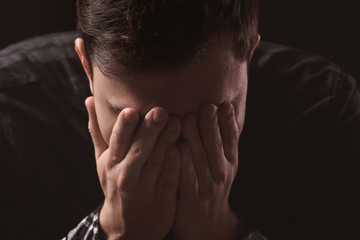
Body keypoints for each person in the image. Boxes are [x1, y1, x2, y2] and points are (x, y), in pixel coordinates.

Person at [63, 0, 360, 239]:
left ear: (249, 56)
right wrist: (117, 233)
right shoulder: (21, 128)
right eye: (139, 123)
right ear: (87, 67)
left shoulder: (327, 117)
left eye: (207, 119)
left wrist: (219, 233)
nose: (175, 149)